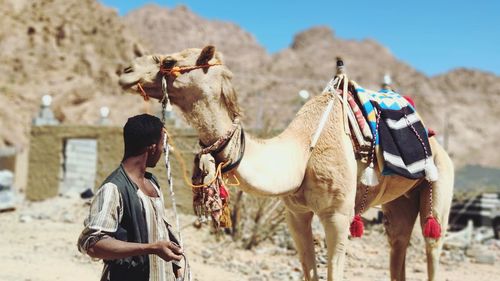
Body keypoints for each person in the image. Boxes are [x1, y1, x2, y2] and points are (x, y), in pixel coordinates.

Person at [78, 114, 183, 281]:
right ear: (152, 148)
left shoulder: (152, 182)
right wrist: (151, 248)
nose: (164, 151)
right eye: (163, 145)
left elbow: (159, 230)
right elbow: (93, 244)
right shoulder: (113, 188)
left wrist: (176, 269)